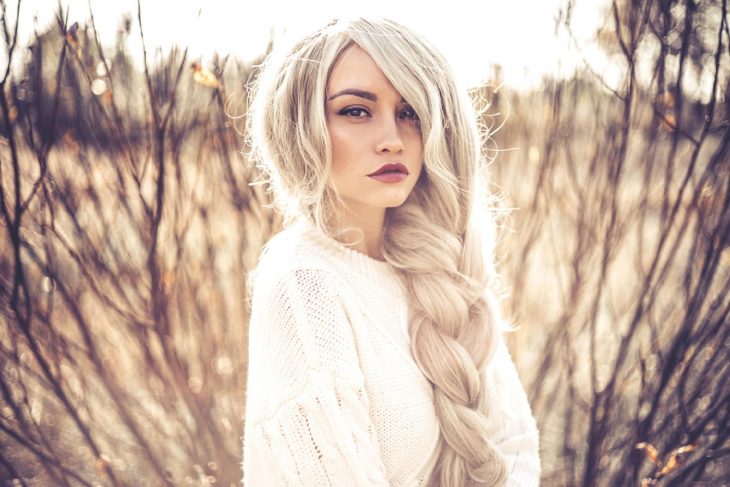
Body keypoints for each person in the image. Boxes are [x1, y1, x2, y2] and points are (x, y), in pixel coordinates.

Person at [241, 16, 540, 487]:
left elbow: (514, 449)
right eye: (356, 111)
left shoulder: (440, 266)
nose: (393, 140)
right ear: (300, 126)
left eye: (411, 113)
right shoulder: (304, 284)